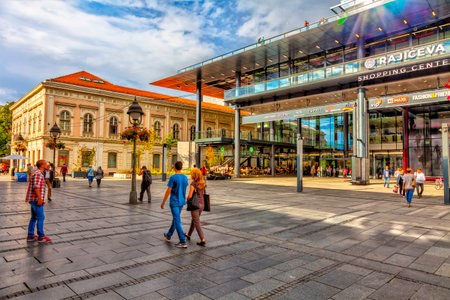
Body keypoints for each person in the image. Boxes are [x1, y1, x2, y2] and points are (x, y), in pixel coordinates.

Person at [161, 161, 189, 248]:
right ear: (181, 167)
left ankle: (182, 240)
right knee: (176, 219)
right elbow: (184, 189)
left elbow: (168, 191)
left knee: (177, 220)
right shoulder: (185, 177)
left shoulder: (173, 178)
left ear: (175, 167)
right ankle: (169, 234)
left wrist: (163, 202)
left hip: (174, 202)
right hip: (181, 201)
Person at [26, 160, 51, 243]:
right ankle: (41, 236)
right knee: (41, 217)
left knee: (34, 218)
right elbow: (36, 187)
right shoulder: (38, 174)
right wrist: (40, 199)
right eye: (46, 164)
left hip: (34, 199)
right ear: (42, 165)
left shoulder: (39, 173)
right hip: (35, 199)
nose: (47, 165)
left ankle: (30, 235)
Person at [185, 168, 206, 246]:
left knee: (197, 222)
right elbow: (203, 193)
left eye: (191, 173)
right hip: (202, 204)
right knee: (195, 220)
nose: (191, 175)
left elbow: (190, 196)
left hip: (195, 205)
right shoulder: (202, 183)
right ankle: (189, 234)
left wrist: (187, 200)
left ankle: (202, 239)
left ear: (194, 175)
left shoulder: (193, 184)